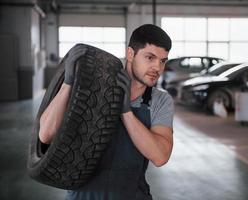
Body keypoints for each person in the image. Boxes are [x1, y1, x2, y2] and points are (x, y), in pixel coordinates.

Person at [39, 24, 174, 200]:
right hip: (82, 196)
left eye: (163, 61)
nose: (157, 67)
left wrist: (126, 112)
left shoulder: (160, 101)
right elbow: (46, 135)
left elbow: (160, 156)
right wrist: (68, 83)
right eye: (150, 57)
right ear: (131, 54)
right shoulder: (90, 89)